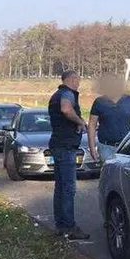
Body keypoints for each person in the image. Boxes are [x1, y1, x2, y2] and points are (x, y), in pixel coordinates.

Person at [48, 70, 90, 240]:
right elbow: (66, 109)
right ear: (72, 79)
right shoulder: (67, 93)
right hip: (66, 146)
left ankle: (60, 225)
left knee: (60, 188)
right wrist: (80, 121)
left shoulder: (56, 95)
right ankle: (70, 227)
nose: (78, 83)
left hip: (58, 144)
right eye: (78, 80)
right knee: (68, 188)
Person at [88, 73, 130, 163]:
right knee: (109, 175)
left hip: (125, 147)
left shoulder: (129, 100)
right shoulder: (99, 102)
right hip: (106, 147)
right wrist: (92, 147)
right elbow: (92, 125)